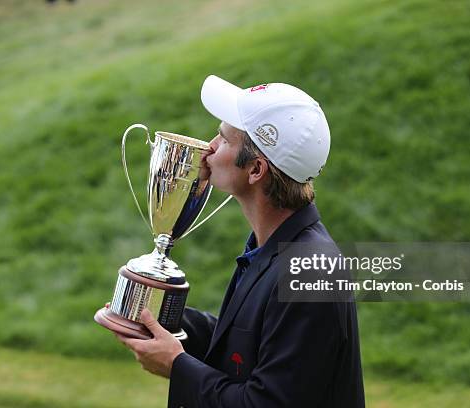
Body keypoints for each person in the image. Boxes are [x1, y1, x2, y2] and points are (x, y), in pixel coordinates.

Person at [115, 75, 365, 407]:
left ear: (256, 170)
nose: (210, 148)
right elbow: (245, 344)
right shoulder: (272, 247)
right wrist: (159, 314)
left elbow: (266, 403)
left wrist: (177, 366)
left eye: (223, 138)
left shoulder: (308, 271)